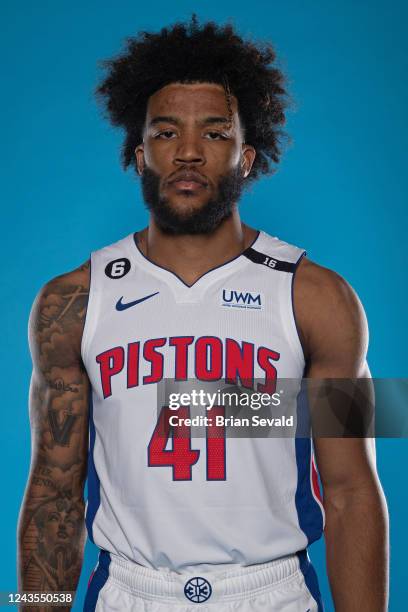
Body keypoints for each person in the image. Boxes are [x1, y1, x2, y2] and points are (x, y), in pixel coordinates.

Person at [17, 15, 389, 612]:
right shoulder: (71, 301)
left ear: (248, 155)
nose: (188, 152)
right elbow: (54, 494)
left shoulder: (320, 296)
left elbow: (351, 493)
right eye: (166, 133)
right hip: (130, 590)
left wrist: (221, 406)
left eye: (215, 134)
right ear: (139, 154)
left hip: (271, 592)